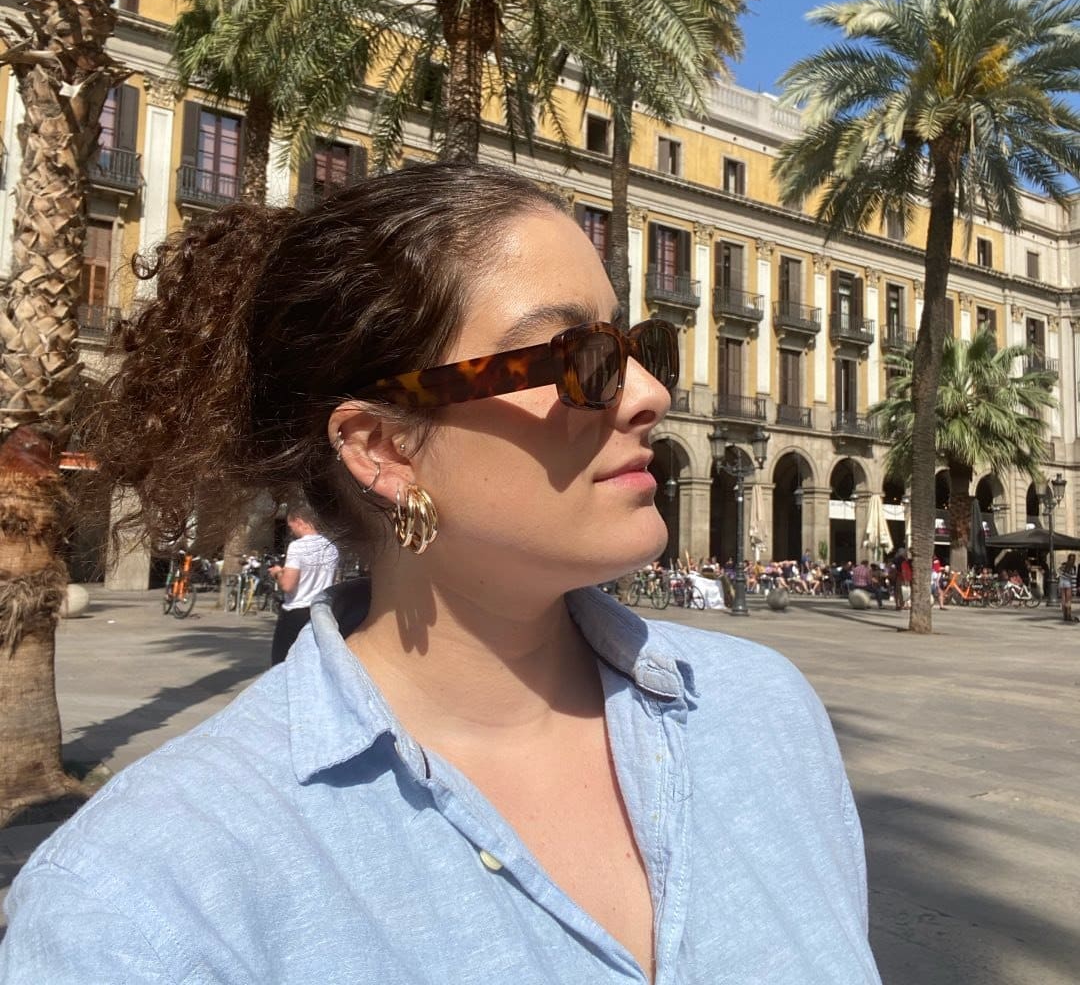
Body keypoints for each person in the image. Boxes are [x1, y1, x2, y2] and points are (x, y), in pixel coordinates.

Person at [0, 163, 879, 983]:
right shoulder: (147, 893)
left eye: (637, 346)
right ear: (383, 448)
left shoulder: (761, 714)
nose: (649, 393)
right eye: (579, 362)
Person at [268, 504, 340, 665]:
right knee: (312, 663)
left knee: (282, 663)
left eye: (291, 526)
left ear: (300, 521)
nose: (292, 530)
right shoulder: (332, 548)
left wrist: (278, 572)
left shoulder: (298, 547)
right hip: (321, 611)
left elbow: (288, 585)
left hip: (296, 611)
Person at [1059, 552, 1076, 623]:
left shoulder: (1063, 565)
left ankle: (1064, 615)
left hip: (1062, 583)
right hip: (1068, 583)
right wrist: (1074, 590)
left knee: (1063, 599)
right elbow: (1074, 578)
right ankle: (1068, 615)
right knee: (1068, 600)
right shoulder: (1073, 567)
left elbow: (1058, 572)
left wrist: (1063, 575)